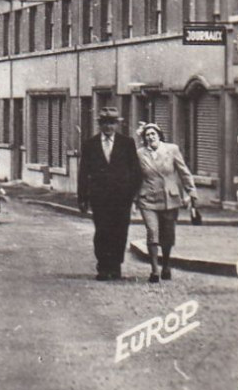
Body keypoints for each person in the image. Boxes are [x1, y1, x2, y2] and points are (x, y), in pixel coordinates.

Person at [76, 107, 142, 281]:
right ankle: (103, 267)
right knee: (102, 231)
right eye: (105, 123)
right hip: (100, 198)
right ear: (100, 125)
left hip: (122, 199)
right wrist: (82, 198)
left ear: (117, 124)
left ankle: (116, 266)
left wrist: (132, 195)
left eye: (111, 123)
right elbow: (83, 172)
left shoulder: (127, 143)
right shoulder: (90, 144)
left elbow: (135, 171)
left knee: (120, 232)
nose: (108, 127)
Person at [134, 122, 198, 283]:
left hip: (170, 198)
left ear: (159, 135)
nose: (150, 137)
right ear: (144, 138)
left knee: (168, 235)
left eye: (153, 134)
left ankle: (166, 265)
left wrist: (191, 191)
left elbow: (184, 172)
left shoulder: (172, 150)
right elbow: (134, 177)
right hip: (147, 199)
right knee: (152, 232)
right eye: (147, 135)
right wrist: (133, 199)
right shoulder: (140, 154)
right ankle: (155, 270)